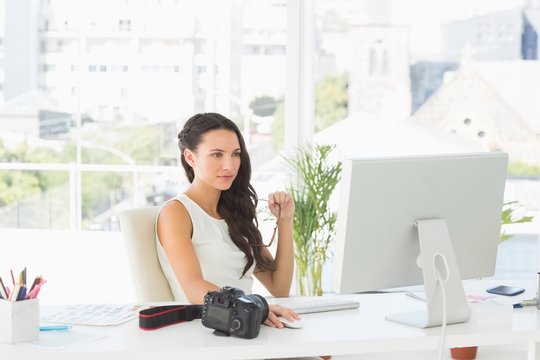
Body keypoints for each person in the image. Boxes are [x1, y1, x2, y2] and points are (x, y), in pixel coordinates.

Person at [156, 112, 300, 329]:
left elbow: (279, 288)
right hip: (208, 331)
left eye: (235, 154)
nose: (230, 166)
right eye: (216, 155)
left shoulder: (236, 214)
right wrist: (256, 308)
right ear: (190, 157)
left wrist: (285, 222)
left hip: (248, 325)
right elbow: (194, 288)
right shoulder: (177, 213)